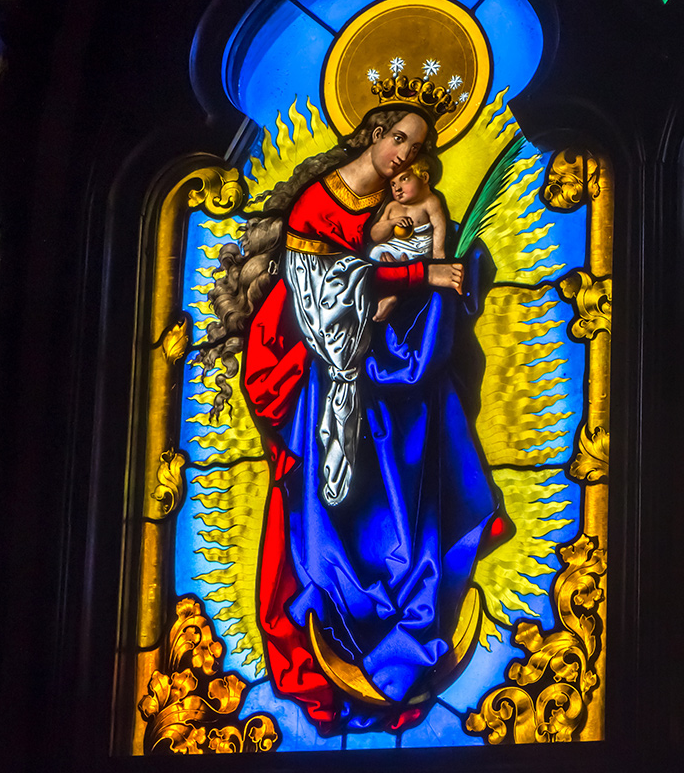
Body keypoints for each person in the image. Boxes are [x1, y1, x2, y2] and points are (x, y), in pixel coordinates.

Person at [197, 103, 495, 734]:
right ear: (375, 135)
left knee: (418, 475)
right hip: (327, 364)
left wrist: (437, 275)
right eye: (399, 141)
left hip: (393, 369)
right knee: (336, 503)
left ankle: (415, 607)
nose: (404, 157)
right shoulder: (319, 204)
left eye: (415, 150)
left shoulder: (413, 200)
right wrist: (417, 273)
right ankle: (344, 620)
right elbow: (324, 293)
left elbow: (423, 266)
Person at [368, 160, 449, 323]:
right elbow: (375, 235)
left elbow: (439, 226)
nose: (397, 188)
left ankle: (395, 293)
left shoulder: (430, 202)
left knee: (413, 269)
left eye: (404, 179)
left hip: (417, 251)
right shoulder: (392, 207)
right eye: (392, 184)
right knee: (375, 253)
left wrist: (438, 253)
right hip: (394, 248)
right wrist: (391, 223)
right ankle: (387, 296)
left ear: (424, 178)